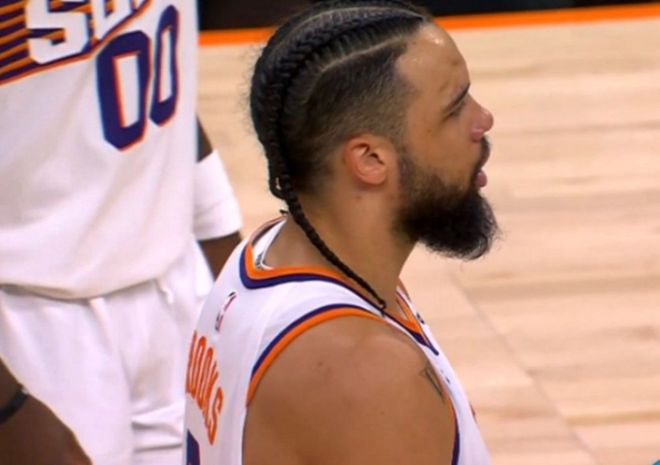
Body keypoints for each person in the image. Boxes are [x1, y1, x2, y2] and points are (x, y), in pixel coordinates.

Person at [184, 1, 497, 464]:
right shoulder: (365, 370)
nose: (483, 120)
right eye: (455, 108)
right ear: (370, 160)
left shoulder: (269, 252)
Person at [0, 1, 241, 464]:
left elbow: (157, 72)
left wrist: (231, 261)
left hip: (178, 277)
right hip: (33, 320)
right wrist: (7, 406)